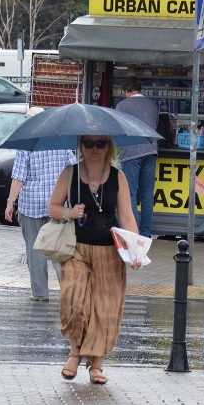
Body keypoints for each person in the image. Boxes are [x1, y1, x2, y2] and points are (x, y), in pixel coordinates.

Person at [47, 135, 140, 385]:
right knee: (74, 301)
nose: (94, 149)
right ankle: (75, 352)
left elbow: (127, 216)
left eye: (100, 144)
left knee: (105, 308)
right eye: (89, 144)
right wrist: (69, 212)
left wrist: (135, 250)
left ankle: (96, 364)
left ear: (108, 147)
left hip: (109, 252)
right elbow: (53, 207)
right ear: (81, 146)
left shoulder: (118, 177)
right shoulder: (70, 173)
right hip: (75, 248)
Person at [5, 148, 77, 301]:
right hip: (57, 204)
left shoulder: (27, 144)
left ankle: (40, 293)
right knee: (60, 250)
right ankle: (69, 291)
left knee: (34, 251)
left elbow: (18, 177)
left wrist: (10, 203)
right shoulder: (61, 143)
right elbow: (73, 169)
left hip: (31, 204)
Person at [115, 77, 159, 237]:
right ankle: (146, 234)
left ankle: (133, 233)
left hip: (131, 153)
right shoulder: (152, 104)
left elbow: (118, 130)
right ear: (139, 89)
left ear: (125, 91)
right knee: (147, 195)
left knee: (130, 193)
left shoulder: (122, 105)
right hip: (151, 150)